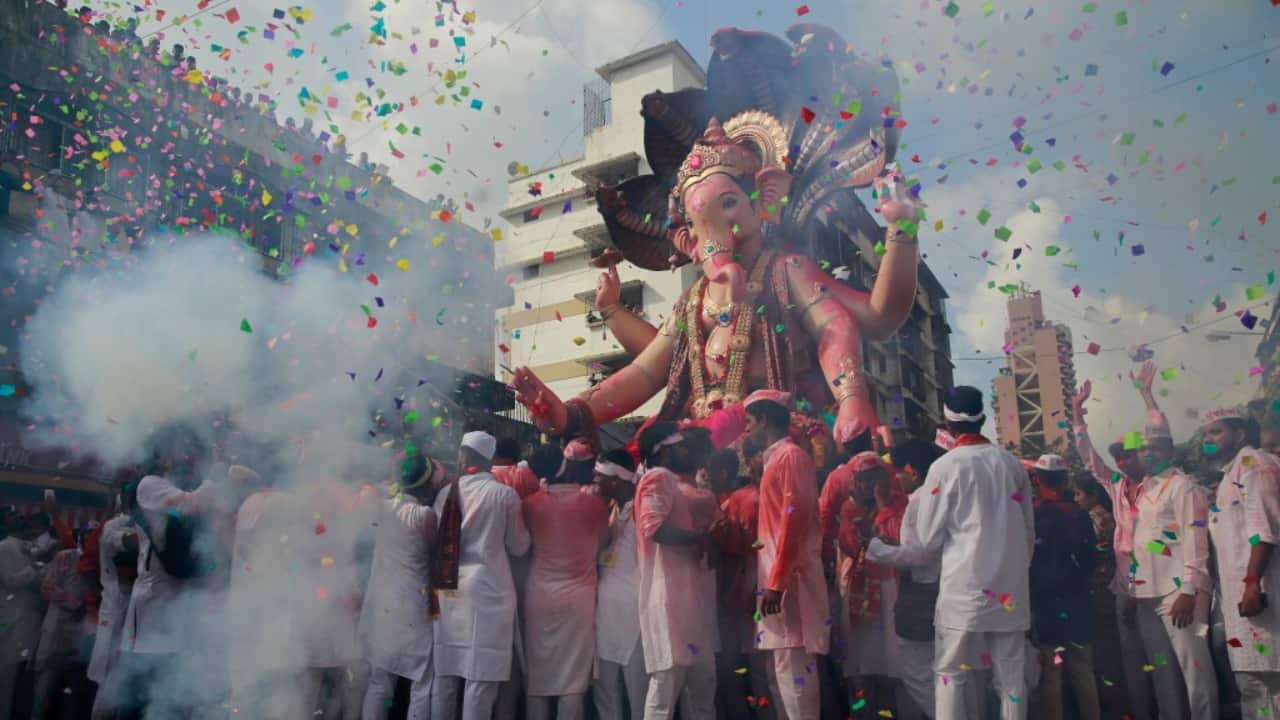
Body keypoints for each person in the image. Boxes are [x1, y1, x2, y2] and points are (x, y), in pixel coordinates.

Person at [896, 386, 1035, 720]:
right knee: (1012, 681)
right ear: (983, 419)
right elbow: (1029, 533)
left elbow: (928, 540)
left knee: (950, 675)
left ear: (946, 423)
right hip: (1010, 589)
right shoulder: (1012, 466)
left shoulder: (944, 468)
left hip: (962, 591)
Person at [116, 428, 239, 719]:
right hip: (152, 600)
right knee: (142, 687)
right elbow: (192, 503)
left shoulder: (168, 484)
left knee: (168, 686)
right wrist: (216, 472)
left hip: (173, 598)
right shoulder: (149, 484)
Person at [1124, 363, 1217, 719]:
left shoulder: (1183, 486)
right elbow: (1142, 545)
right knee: (1163, 671)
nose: (1146, 453)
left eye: (1154, 448)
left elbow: (1195, 540)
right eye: (1142, 449)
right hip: (1148, 594)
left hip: (1179, 592)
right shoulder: (1145, 491)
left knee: (1195, 669)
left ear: (1169, 451)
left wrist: (1189, 591)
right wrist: (1134, 590)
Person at [1072, 375, 1165, 719]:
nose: (1123, 463)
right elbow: (1088, 457)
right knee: (1131, 662)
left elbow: (1160, 435)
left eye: (1127, 456)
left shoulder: (1163, 485)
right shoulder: (1115, 485)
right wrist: (1076, 413)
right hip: (1125, 586)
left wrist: (1146, 395)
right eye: (1118, 458)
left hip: (1163, 587)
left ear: (1142, 455)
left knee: (1167, 664)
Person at [432, 431, 531, 720]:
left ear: (464, 456)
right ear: (489, 459)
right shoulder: (503, 495)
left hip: (448, 588)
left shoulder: (445, 493)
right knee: (481, 678)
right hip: (487, 592)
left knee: (446, 673)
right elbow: (519, 545)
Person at [745, 391, 829, 720]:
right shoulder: (774, 460)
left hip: (789, 585)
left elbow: (795, 520)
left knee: (794, 675)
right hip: (778, 582)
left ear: (764, 420)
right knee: (783, 671)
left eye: (750, 422)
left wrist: (777, 582)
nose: (747, 430)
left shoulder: (790, 457)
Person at [634, 421, 719, 720]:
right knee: (665, 690)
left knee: (703, 684)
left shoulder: (671, 480)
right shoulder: (657, 477)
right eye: (680, 446)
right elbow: (653, 527)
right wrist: (699, 538)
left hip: (687, 601)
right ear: (664, 452)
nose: (686, 451)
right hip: (667, 598)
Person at [521, 439, 611, 720]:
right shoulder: (595, 505)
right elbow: (603, 545)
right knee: (572, 680)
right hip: (579, 597)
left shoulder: (530, 504)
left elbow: (522, 547)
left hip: (539, 596)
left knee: (539, 678)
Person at [1203, 406, 1280, 717]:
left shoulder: (1255, 464)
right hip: (1239, 601)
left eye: (1217, 432)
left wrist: (1251, 586)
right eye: (1205, 434)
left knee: (1269, 685)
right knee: (1252, 686)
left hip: (1262, 597)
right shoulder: (1229, 475)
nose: (1209, 440)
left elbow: (1264, 531)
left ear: (1240, 434)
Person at [359, 454, 441, 720]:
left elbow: (369, 491)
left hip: (381, 602)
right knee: (422, 683)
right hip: (412, 606)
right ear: (426, 485)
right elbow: (435, 549)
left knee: (379, 683)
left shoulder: (382, 508)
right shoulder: (424, 515)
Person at [870, 438, 947, 720]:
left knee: (916, 671)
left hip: (922, 592)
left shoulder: (919, 501)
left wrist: (877, 549)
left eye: (898, 473)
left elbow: (918, 554)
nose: (896, 481)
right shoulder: (940, 494)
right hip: (942, 589)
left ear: (912, 471)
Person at [225, 464, 309, 717]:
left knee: (242, 681)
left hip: (243, 601)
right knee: (274, 679)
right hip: (269, 604)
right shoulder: (283, 502)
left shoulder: (248, 504)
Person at [1026, 454, 1100, 720]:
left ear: (1037, 479)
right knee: (1083, 669)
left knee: (1052, 673)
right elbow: (1091, 559)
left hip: (1045, 605)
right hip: (1077, 601)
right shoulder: (1079, 515)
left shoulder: (1031, 515)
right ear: (1065, 479)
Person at [837, 451, 909, 716]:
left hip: (893, 589)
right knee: (862, 664)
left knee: (893, 665)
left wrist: (881, 506)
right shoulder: (849, 507)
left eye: (871, 480)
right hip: (860, 588)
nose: (865, 486)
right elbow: (850, 546)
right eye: (860, 480)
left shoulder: (900, 503)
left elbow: (897, 538)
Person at [706, 446, 773, 720]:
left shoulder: (740, 501)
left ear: (722, 473)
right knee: (762, 666)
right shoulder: (765, 499)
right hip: (765, 587)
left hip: (739, 592)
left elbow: (740, 546)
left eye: (710, 475)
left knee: (739, 666)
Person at [592, 449, 649, 720]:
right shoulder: (613, 508)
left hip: (634, 611)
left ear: (615, 480)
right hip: (606, 612)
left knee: (638, 689)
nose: (594, 482)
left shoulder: (642, 510)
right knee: (605, 688)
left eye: (598, 477)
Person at [1070, 476, 1127, 718]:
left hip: (1101, 586)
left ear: (1092, 494)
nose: (1075, 500)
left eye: (1079, 494)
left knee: (1105, 647)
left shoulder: (1097, 517)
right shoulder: (1103, 515)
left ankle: (1113, 700)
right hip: (1105, 585)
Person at [88, 483, 139, 720]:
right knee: (109, 683)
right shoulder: (116, 525)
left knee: (126, 683)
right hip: (116, 610)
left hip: (133, 613)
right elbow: (125, 543)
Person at [30, 539, 89, 719]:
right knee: (44, 686)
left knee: (71, 690)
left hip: (82, 636)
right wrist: (76, 604)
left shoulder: (103, 561)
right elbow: (47, 588)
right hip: (57, 630)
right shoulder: (66, 556)